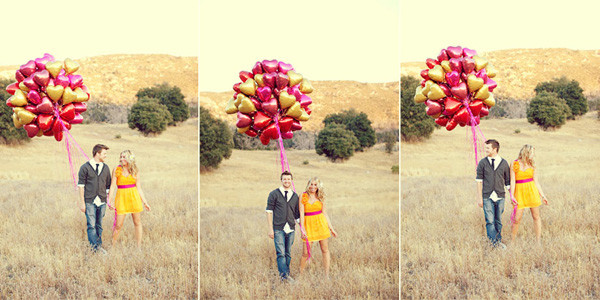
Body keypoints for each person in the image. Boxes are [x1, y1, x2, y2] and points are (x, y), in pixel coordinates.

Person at [108, 150, 150, 248]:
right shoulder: (116, 169)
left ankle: (139, 247)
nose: (121, 159)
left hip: (134, 198)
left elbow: (139, 187)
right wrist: (109, 200)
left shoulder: (135, 170)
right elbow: (113, 186)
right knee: (118, 225)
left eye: (124, 157)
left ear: (129, 159)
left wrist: (145, 202)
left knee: (137, 222)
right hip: (121, 198)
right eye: (121, 157)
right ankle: (112, 246)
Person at [299, 177, 337, 277]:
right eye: (311, 184)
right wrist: (302, 229)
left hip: (321, 225)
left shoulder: (321, 196)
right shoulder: (303, 196)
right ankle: (301, 275)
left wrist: (331, 228)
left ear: (318, 186)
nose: (313, 186)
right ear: (308, 185)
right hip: (308, 225)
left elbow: (325, 213)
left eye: (315, 185)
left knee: (325, 250)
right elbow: (301, 213)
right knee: (305, 253)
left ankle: (326, 275)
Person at [510, 144, 549, 242]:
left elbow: (536, 182)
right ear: (526, 153)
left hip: (532, 192)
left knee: (536, 216)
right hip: (519, 192)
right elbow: (512, 181)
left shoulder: (533, 165)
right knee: (516, 219)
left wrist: (543, 195)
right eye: (532, 153)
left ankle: (538, 241)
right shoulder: (514, 164)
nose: (533, 155)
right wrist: (512, 195)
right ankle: (512, 241)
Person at [266, 171, 300, 282]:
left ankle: (286, 273)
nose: (286, 181)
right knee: (280, 253)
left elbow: (297, 215)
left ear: (291, 180)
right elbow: (269, 211)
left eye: (289, 179)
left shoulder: (295, 196)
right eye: (284, 179)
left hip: (290, 228)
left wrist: (303, 228)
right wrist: (270, 229)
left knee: (288, 253)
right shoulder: (274, 194)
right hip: (278, 228)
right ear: (281, 180)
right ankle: (284, 276)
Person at [476, 139, 511, 248]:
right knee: (490, 221)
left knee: (498, 220)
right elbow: (479, 181)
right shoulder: (482, 163)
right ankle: (494, 244)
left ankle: (498, 240)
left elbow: (508, 182)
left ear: (495, 149)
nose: (485, 150)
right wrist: (479, 198)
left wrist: (512, 196)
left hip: (500, 196)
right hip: (487, 196)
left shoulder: (504, 163)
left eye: (488, 148)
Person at [78, 144, 111, 253]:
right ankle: (96, 249)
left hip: (102, 201)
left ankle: (98, 245)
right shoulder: (85, 168)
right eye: (104, 153)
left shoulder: (105, 168)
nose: (106, 156)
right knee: (91, 225)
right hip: (89, 201)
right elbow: (81, 186)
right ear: (97, 153)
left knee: (99, 225)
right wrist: (82, 203)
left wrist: (108, 200)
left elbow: (107, 186)